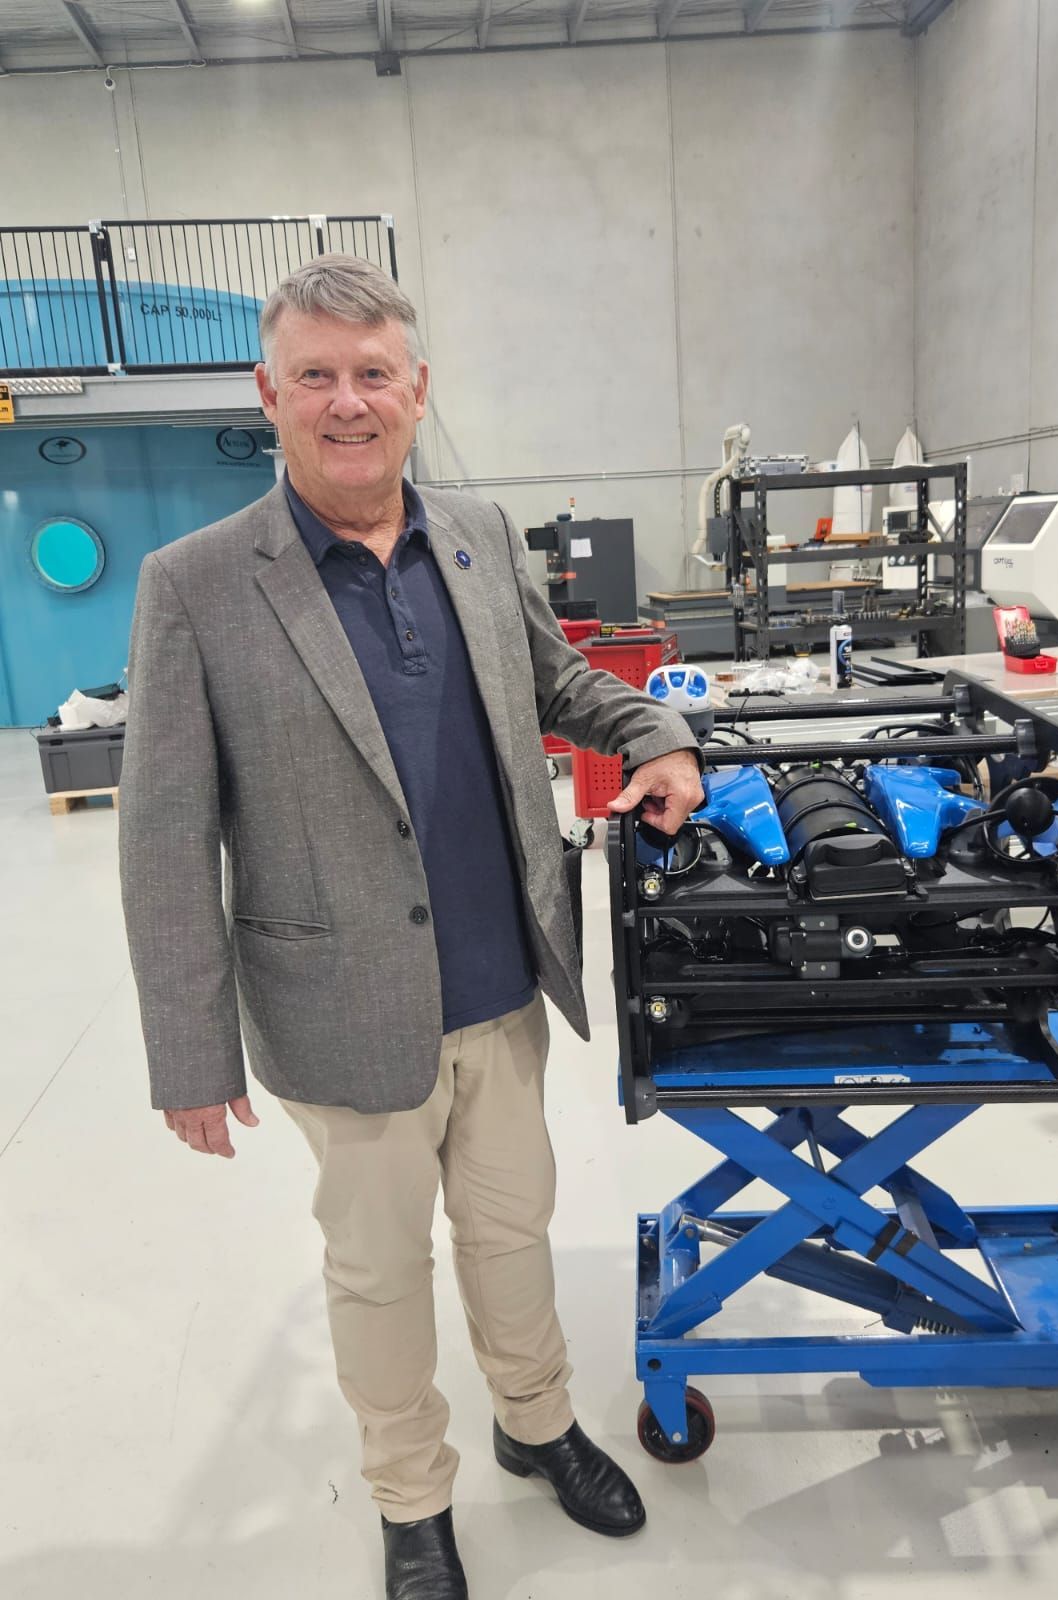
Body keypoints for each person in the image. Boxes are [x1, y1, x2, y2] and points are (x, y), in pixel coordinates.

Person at [119, 254, 704, 1600]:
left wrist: (657, 737)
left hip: (502, 981)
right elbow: (161, 839)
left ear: (417, 389)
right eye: (314, 376)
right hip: (342, 1008)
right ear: (269, 395)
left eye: (371, 373)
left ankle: (537, 1425)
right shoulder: (197, 584)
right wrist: (188, 1052)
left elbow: (558, 679)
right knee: (378, 1277)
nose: (346, 403)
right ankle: (409, 1498)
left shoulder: (480, 535)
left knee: (514, 1237)